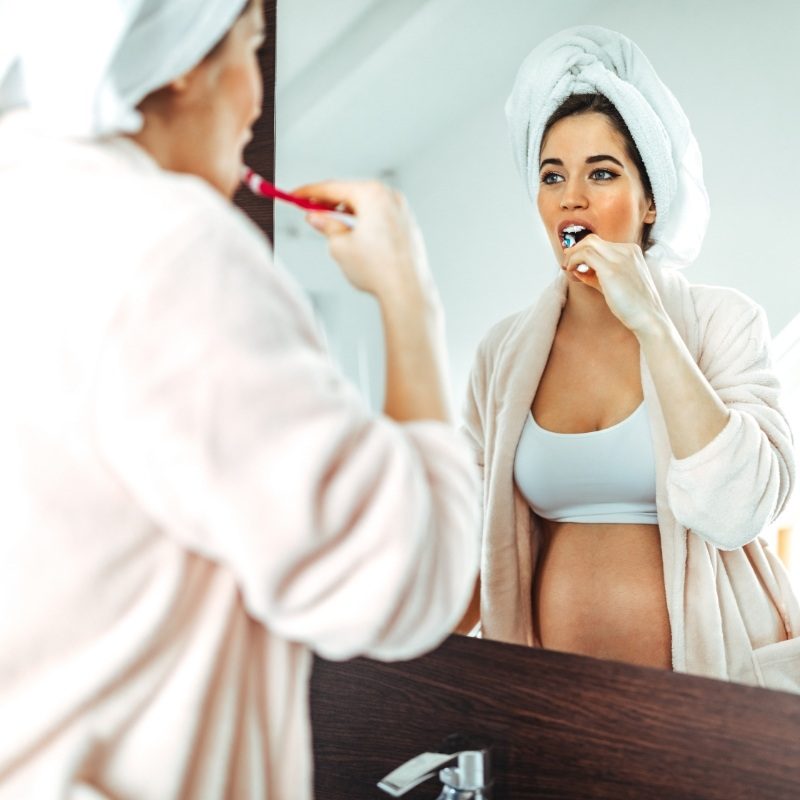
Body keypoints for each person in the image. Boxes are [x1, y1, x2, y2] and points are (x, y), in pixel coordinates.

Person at [0, 0, 479, 797]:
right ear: (185, 60)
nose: (257, 103)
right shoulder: (170, 247)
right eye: (252, 49)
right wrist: (410, 298)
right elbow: (402, 582)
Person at [458, 25, 800, 692]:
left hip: (714, 704)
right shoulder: (503, 353)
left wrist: (649, 321)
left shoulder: (722, 322)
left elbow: (742, 510)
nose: (572, 197)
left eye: (602, 173)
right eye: (552, 174)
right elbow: (472, 552)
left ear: (651, 201)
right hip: (551, 707)